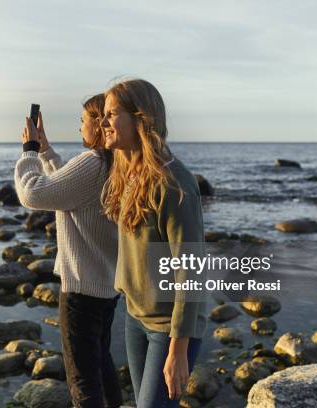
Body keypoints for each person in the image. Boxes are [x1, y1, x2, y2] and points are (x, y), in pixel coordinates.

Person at [100, 79, 207, 407]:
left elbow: (191, 273)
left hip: (169, 328)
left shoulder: (175, 186)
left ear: (140, 118)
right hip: (136, 316)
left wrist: (178, 351)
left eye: (112, 114)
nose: (103, 123)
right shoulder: (128, 173)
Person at [14, 95, 123, 408]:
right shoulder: (115, 163)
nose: (81, 129)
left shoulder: (93, 162)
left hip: (81, 290)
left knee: (83, 381)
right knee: (100, 365)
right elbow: (71, 189)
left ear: (101, 122)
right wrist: (47, 150)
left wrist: (30, 152)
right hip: (106, 287)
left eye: (82, 121)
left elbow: (33, 193)